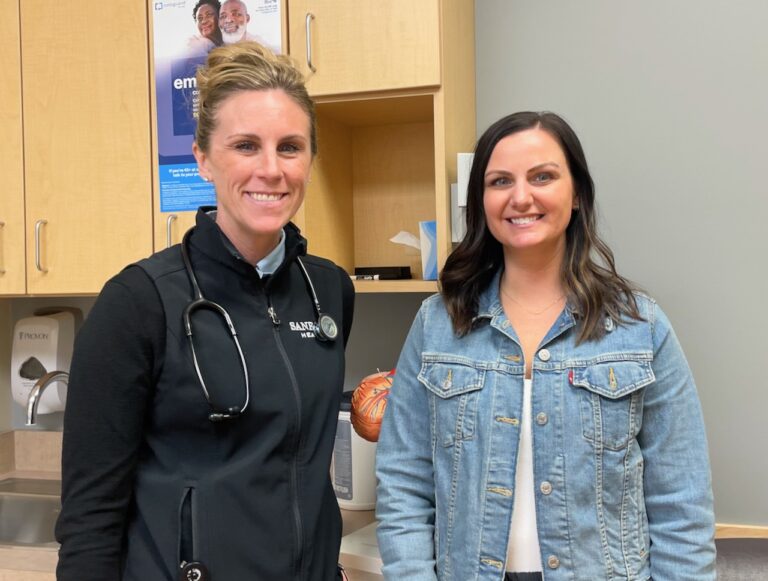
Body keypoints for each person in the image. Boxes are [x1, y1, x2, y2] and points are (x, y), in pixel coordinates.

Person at [56, 42, 355, 581]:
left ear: (310, 158)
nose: (271, 169)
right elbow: (89, 518)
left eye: (290, 147)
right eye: (245, 145)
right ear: (202, 158)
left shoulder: (328, 292)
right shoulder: (139, 303)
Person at [375, 111, 715, 580]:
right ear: (480, 201)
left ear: (576, 194)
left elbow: (682, 504)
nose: (521, 197)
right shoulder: (438, 325)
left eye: (542, 177)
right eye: (500, 181)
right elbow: (403, 484)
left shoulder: (640, 326)